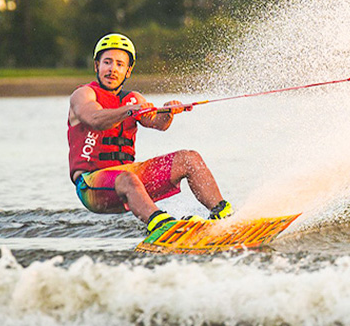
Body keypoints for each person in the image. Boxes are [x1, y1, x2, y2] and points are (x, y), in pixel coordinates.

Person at [68, 33, 232, 236]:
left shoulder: (133, 99)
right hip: (92, 186)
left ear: (128, 71)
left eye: (119, 64)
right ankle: (163, 226)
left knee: (189, 158)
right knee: (127, 178)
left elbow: (158, 123)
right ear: (96, 66)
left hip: (130, 182)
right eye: (107, 62)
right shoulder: (84, 94)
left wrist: (168, 111)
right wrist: (129, 111)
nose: (112, 69)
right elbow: (94, 119)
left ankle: (223, 215)